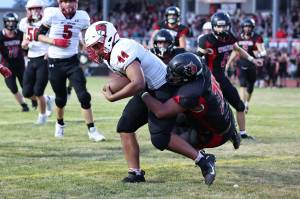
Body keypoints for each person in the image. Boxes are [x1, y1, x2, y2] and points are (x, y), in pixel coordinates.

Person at [85, 21, 216, 185]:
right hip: (149, 88)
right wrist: (112, 86)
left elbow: (138, 83)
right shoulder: (112, 53)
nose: (94, 50)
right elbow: (129, 76)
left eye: (97, 45)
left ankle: (204, 160)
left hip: (162, 88)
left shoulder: (121, 49)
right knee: (125, 126)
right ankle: (135, 173)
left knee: (160, 138)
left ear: (108, 39)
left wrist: (114, 97)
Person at [141, 52, 241, 151]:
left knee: (162, 137)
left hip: (215, 135)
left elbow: (161, 112)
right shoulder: (200, 68)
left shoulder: (191, 93)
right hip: (226, 116)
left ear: (187, 79)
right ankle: (232, 133)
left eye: (175, 76)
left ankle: (203, 159)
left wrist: (143, 92)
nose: (171, 77)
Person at [36, 0, 105, 141]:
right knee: (61, 99)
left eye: (72, 1)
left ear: (77, 3)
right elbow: (38, 35)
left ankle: (92, 130)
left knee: (84, 96)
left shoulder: (82, 17)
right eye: (66, 1)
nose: (69, 4)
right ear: (60, 3)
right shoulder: (52, 14)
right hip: (55, 63)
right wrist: (55, 41)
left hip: (72, 62)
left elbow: (88, 38)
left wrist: (91, 48)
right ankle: (59, 124)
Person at [197, 12, 263, 140]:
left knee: (239, 105)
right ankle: (205, 133)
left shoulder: (230, 37)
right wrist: (203, 54)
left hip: (221, 77)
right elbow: (196, 58)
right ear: (213, 26)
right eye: (219, 26)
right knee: (210, 109)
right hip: (208, 79)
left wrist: (252, 59)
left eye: (225, 26)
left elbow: (237, 49)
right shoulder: (206, 40)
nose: (222, 29)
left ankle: (242, 133)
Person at [19, 0, 55, 124]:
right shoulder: (24, 22)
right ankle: (47, 100)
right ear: (28, 10)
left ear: (42, 9)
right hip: (31, 59)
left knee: (39, 91)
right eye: (32, 8)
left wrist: (50, 51)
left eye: (38, 8)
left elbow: (54, 38)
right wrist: (24, 44)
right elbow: (24, 44)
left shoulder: (46, 21)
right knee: (27, 92)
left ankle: (42, 115)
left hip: (43, 59)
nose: (35, 11)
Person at [227, 17, 266, 114]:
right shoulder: (238, 37)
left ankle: (247, 102)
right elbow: (235, 51)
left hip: (252, 64)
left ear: (252, 28)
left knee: (250, 87)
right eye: (245, 26)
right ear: (242, 27)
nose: (247, 28)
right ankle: (243, 104)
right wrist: (228, 62)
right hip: (241, 63)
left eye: (249, 27)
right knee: (242, 84)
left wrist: (260, 54)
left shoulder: (257, 37)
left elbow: (261, 49)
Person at [0, 12, 33, 112]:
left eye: (13, 22)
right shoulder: (1, 36)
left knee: (26, 89)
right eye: (9, 22)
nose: (11, 24)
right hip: (7, 67)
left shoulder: (20, 33)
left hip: (20, 66)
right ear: (5, 22)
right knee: (13, 88)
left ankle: (35, 100)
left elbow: (27, 49)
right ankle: (24, 105)